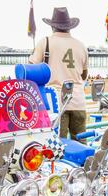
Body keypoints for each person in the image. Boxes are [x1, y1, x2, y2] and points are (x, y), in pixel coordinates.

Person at [29, 7, 88, 140]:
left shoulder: (45, 42)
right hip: (78, 100)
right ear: (69, 27)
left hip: (55, 103)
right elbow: (84, 75)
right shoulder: (81, 45)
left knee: (57, 147)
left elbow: (32, 69)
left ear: (53, 27)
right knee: (80, 143)